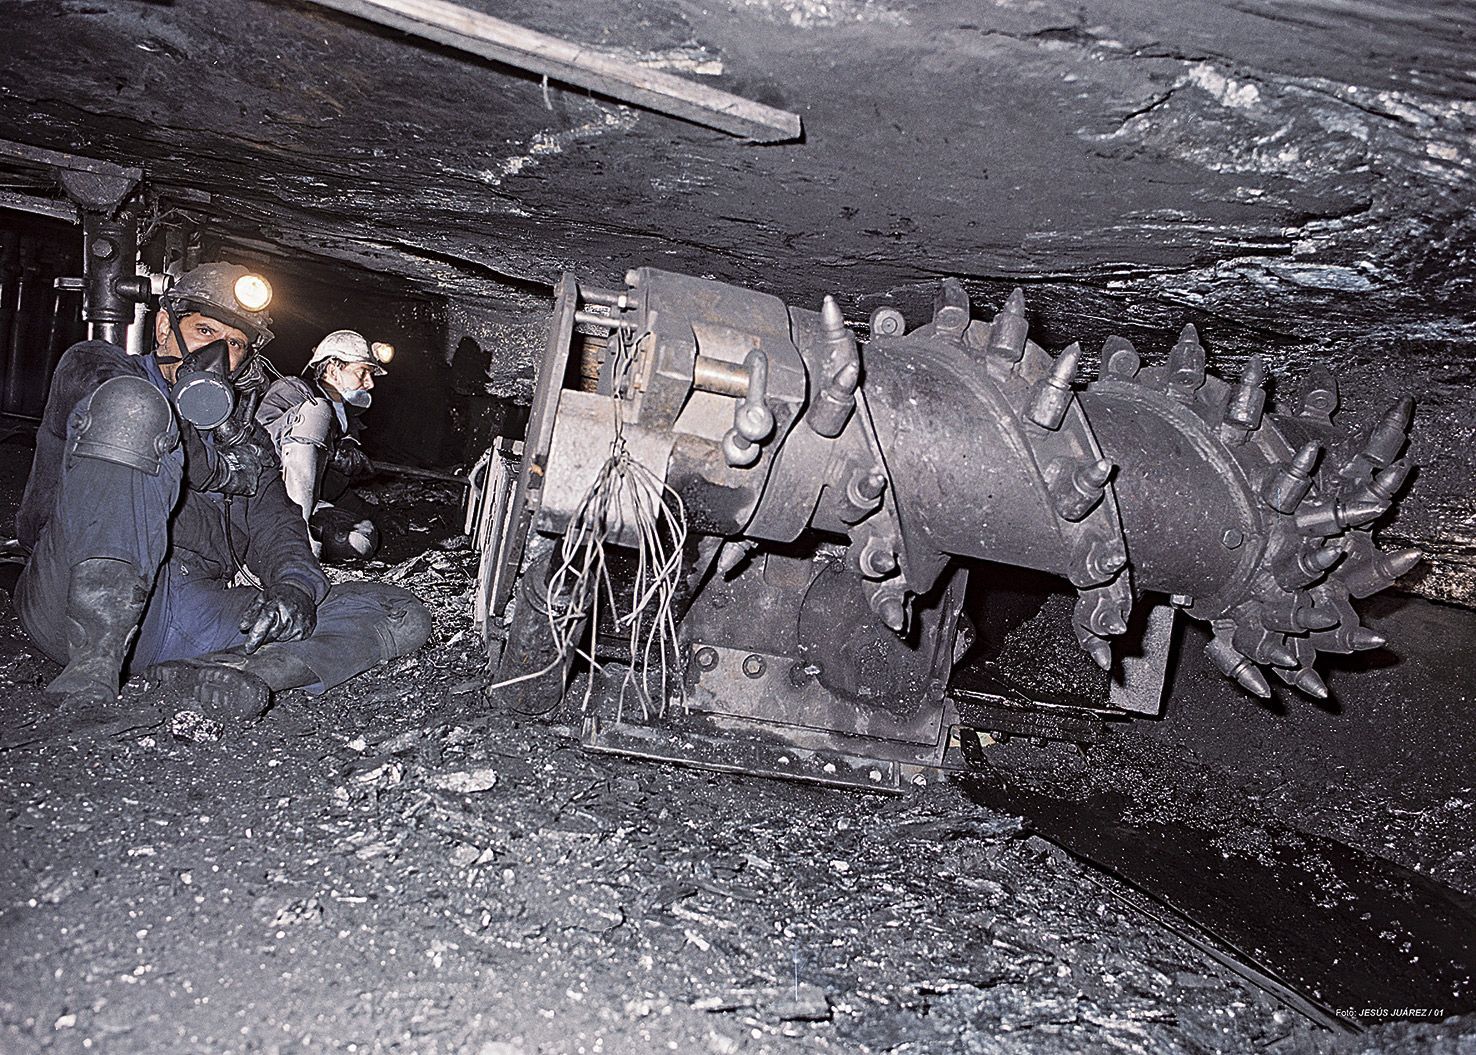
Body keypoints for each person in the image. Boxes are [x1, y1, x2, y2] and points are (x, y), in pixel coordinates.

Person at [13, 262, 432, 731]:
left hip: (189, 614)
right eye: (204, 331)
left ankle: (225, 674)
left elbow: (279, 527)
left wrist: (293, 589)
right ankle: (91, 673)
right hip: (70, 595)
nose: (217, 353)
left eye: (234, 343)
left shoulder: (245, 439)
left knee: (399, 613)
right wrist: (221, 467)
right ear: (164, 327)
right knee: (135, 409)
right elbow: (121, 406)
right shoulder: (98, 367)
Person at [257, 330, 387, 563]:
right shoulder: (294, 390)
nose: (370, 383)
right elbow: (261, 437)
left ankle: (296, 535)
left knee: (359, 541)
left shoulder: (348, 422)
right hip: (271, 494)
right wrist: (332, 452)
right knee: (317, 412)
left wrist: (376, 514)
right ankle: (294, 537)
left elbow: (332, 489)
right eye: (362, 372)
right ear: (333, 370)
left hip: (310, 504)